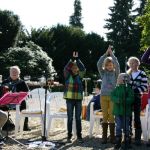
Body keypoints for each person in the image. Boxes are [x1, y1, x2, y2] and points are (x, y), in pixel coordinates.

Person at [97, 45, 120, 144]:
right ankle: (104, 137)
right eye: (108, 65)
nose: (109, 66)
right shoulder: (103, 73)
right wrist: (105, 54)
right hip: (103, 96)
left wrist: (112, 55)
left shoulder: (116, 73)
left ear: (113, 66)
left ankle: (112, 137)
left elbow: (117, 65)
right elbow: (98, 64)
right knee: (105, 115)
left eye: (111, 65)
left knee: (111, 115)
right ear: (105, 66)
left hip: (112, 97)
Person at [63, 51, 86, 143]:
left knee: (78, 118)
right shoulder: (67, 75)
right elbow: (66, 68)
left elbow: (83, 69)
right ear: (71, 68)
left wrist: (78, 59)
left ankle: (79, 136)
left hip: (78, 99)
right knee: (70, 118)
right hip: (69, 99)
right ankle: (69, 136)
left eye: (76, 67)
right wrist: (72, 60)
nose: (75, 68)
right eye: (73, 67)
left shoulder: (80, 76)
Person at [1, 66, 30, 131]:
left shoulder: (22, 82)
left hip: (19, 102)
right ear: (9, 73)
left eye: (15, 72)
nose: (14, 73)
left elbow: (27, 93)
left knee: (24, 102)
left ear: (19, 73)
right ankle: (5, 125)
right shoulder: (5, 82)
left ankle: (25, 125)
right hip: (6, 102)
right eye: (12, 71)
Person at [127, 57, 148, 145]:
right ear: (129, 64)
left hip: (137, 97)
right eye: (131, 63)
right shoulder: (127, 74)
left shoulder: (142, 73)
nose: (132, 65)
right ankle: (128, 135)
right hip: (128, 98)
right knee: (128, 117)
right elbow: (125, 85)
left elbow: (145, 86)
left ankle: (138, 138)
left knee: (137, 117)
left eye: (134, 63)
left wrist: (135, 90)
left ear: (138, 64)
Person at [111, 73, 134, 149]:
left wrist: (125, 101)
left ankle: (127, 141)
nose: (119, 80)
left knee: (126, 126)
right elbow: (112, 96)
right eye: (119, 78)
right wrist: (117, 100)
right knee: (118, 126)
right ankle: (118, 141)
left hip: (126, 111)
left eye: (121, 78)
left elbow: (131, 98)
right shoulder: (116, 88)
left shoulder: (128, 89)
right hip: (117, 111)